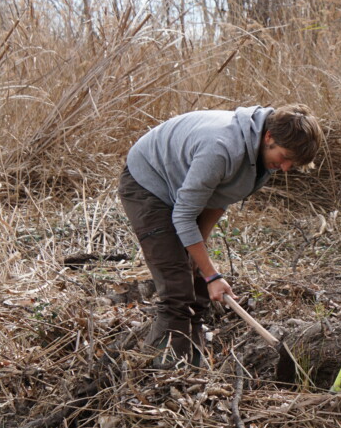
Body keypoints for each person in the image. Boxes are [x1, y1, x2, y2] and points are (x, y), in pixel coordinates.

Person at [118, 105, 324, 366]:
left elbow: (219, 198)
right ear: (269, 136)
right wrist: (213, 274)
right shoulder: (221, 148)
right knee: (176, 288)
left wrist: (200, 260)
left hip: (184, 186)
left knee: (196, 280)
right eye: (284, 158)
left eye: (291, 163)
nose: (284, 168)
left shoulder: (261, 158)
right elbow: (182, 216)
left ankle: (193, 358)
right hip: (148, 182)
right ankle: (159, 369)